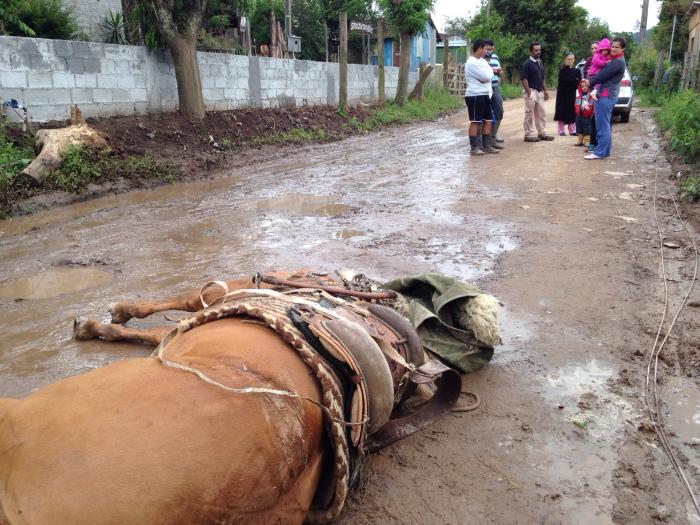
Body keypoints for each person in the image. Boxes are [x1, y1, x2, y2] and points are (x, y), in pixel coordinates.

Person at [584, 36, 627, 160]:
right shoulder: (616, 60)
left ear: (622, 48)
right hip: (608, 95)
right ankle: (605, 151)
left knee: (602, 125)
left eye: (617, 47)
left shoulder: (617, 62)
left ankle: (599, 152)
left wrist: (589, 82)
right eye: (612, 46)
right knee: (605, 124)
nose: (613, 49)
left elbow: (601, 76)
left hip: (605, 95)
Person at [465, 38, 500, 155]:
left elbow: (488, 74)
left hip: (485, 94)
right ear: (479, 48)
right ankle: (474, 148)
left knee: (489, 120)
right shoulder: (471, 62)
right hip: (475, 95)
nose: (487, 51)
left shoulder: (482, 61)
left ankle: (486, 146)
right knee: (475, 121)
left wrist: (488, 74)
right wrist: (488, 74)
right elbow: (486, 76)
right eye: (485, 49)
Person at [520, 42, 554, 142]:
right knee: (529, 113)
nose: (538, 52)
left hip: (539, 91)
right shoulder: (527, 64)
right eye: (536, 50)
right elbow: (523, 78)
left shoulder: (540, 62)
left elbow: (542, 78)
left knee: (541, 113)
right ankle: (528, 134)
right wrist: (528, 91)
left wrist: (545, 90)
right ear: (531, 51)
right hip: (531, 90)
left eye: (539, 50)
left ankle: (542, 133)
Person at [553, 53, 580, 136]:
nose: (570, 61)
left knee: (572, 111)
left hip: (572, 94)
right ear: (565, 60)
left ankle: (572, 131)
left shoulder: (577, 71)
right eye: (568, 59)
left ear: (574, 60)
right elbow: (564, 81)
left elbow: (578, 83)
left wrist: (573, 81)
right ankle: (561, 131)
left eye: (571, 59)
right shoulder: (562, 70)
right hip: (562, 95)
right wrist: (574, 80)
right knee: (561, 111)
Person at [485, 39, 505, 148]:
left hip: (495, 86)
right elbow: (484, 70)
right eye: (488, 49)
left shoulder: (495, 57)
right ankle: (486, 140)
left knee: (499, 111)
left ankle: (494, 135)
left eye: (492, 49)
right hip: (485, 88)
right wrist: (495, 71)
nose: (490, 51)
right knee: (486, 114)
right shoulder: (481, 57)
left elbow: (499, 71)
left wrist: (499, 72)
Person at [574, 79, 594, 146]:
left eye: (586, 86)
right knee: (579, 128)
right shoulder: (579, 96)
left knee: (587, 128)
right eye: (582, 86)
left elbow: (592, 105)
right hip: (579, 115)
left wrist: (589, 111)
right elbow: (576, 104)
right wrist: (577, 111)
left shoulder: (591, 96)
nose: (584, 88)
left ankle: (587, 141)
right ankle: (580, 140)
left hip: (587, 115)